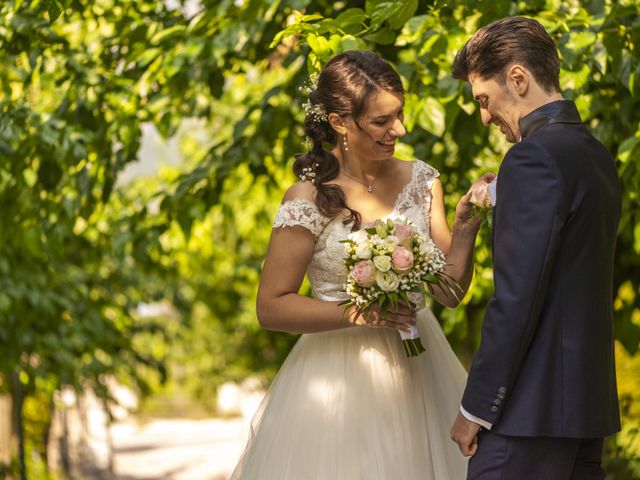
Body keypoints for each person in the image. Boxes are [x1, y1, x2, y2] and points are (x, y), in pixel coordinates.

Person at [230, 50, 485, 479]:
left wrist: (465, 230)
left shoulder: (423, 181)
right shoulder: (307, 199)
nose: (398, 130)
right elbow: (271, 307)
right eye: (382, 121)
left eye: (399, 115)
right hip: (334, 384)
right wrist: (359, 313)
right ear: (340, 123)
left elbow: (451, 293)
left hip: (419, 374)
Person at [449, 16, 621, 480]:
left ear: (518, 78)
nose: (484, 116)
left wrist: (476, 407)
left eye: (483, 99)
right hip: (584, 411)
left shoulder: (531, 157)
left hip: (529, 417)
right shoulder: (596, 155)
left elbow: (517, 299)